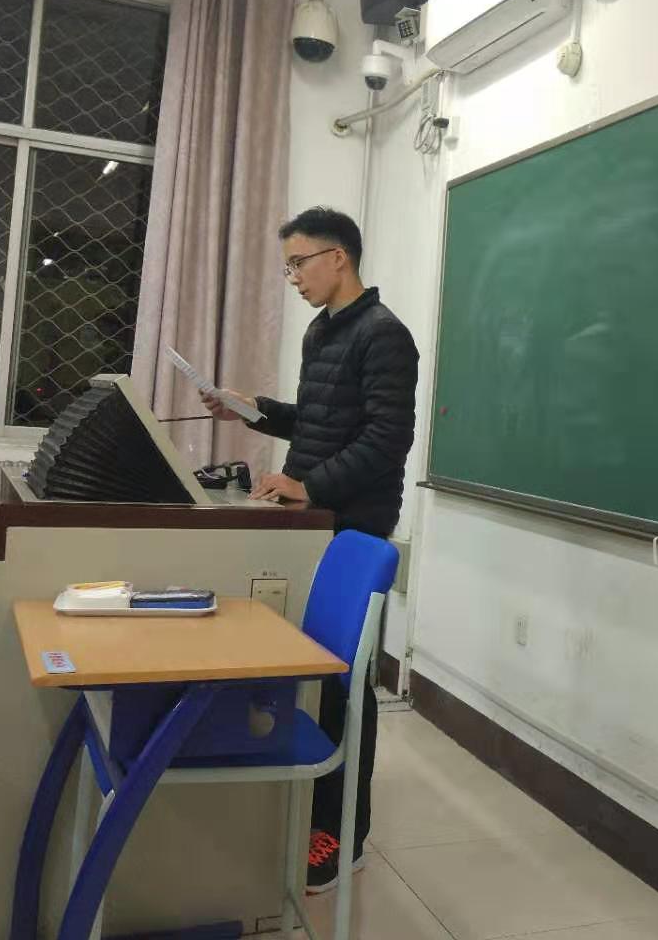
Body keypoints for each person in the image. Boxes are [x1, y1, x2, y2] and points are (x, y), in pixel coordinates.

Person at [202, 206, 419, 894]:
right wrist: (254, 409)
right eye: (287, 266)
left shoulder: (385, 335)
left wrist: (309, 485)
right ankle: (309, 806)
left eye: (298, 262)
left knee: (345, 682)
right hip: (313, 519)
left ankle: (343, 835)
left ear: (338, 258)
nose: (292, 277)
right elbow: (321, 420)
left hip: (354, 524)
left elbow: (386, 439)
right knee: (311, 671)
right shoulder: (323, 330)